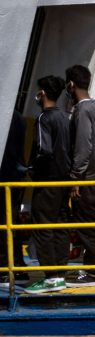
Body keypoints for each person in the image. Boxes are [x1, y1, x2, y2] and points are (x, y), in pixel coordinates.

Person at [24, 77, 72, 294]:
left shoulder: (44, 118)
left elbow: (44, 150)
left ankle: (50, 277)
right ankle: (60, 272)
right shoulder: (64, 117)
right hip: (64, 179)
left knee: (43, 227)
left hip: (47, 180)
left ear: (42, 93)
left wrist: (32, 170)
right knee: (60, 224)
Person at [64, 65, 95, 287]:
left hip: (87, 177)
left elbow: (83, 145)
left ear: (71, 84)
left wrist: (75, 178)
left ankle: (92, 274)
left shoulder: (82, 111)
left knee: (87, 223)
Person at [1, 108, 28, 280]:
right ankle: (17, 265)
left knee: (4, 224)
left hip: (5, 176)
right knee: (12, 223)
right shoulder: (17, 116)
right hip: (15, 176)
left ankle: (5, 268)